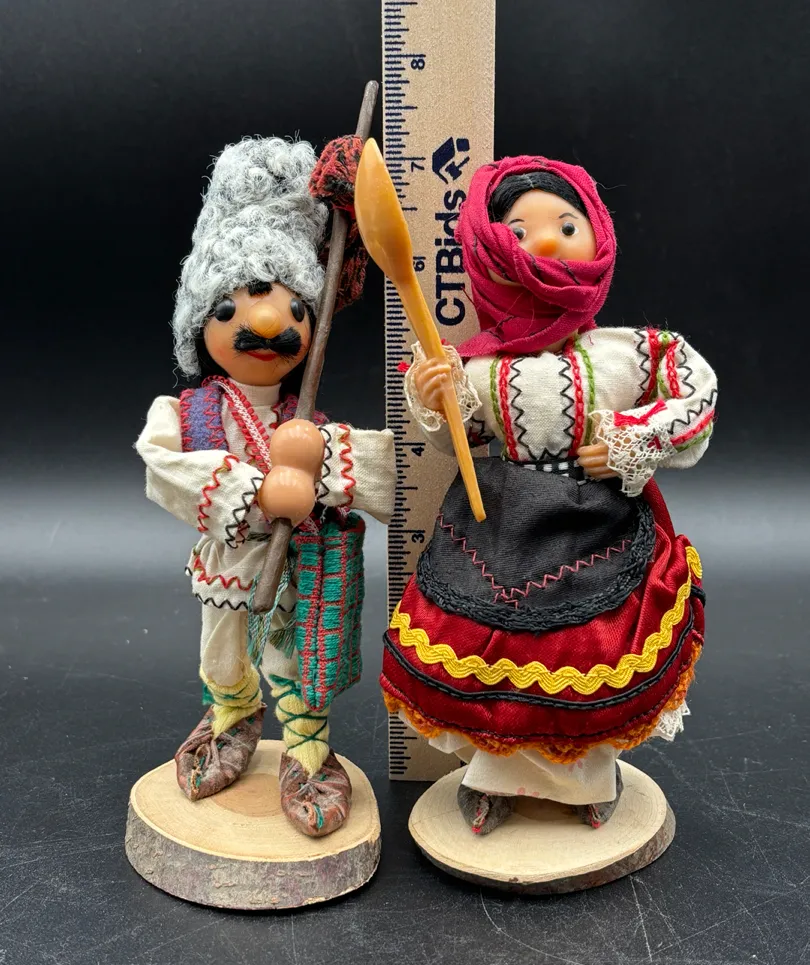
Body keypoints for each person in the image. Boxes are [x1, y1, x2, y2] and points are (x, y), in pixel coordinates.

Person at [381, 155, 716, 835]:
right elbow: (458, 440)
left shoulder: (631, 351)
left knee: (589, 653)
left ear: (598, 235)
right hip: (500, 527)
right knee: (491, 657)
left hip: (598, 523)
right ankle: (492, 777)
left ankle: (587, 777)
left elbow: (697, 396)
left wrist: (632, 439)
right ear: (491, 252)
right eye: (520, 230)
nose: (548, 241)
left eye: (567, 224)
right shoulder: (478, 365)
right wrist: (436, 397)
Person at [137, 136, 395, 836]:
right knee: (222, 651)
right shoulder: (189, 415)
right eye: (233, 309)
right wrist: (257, 492)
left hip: (302, 570)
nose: (268, 324)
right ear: (201, 324)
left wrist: (322, 464)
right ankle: (230, 713)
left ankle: (306, 744)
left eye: (293, 310)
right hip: (229, 563)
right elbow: (163, 465)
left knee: (299, 659)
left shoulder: (306, 424)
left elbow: (383, 471)